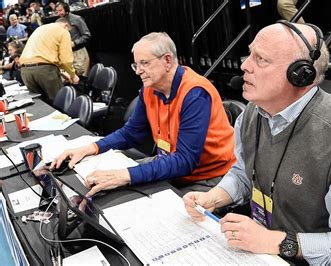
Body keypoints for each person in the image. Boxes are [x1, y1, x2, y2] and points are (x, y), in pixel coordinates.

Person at [183, 22, 331, 265]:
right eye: (250, 53)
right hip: (262, 253)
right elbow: (244, 173)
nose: (244, 65)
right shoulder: (251, 115)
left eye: (261, 59)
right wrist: (215, 197)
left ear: (300, 74)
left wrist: (273, 241)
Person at [52, 32, 236, 196]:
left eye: (145, 63)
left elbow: (185, 161)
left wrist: (126, 176)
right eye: (136, 65)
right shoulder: (150, 89)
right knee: (104, 183)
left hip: (209, 175)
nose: (139, 71)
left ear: (167, 60)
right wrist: (89, 148)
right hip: (171, 162)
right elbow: (130, 133)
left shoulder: (195, 92)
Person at [19, 17, 79, 102]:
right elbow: (66, 60)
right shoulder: (63, 31)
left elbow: (44, 54)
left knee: (41, 105)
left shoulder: (40, 29)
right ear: (66, 25)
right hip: (44, 71)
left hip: (25, 71)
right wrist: (73, 75)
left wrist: (62, 72)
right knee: (59, 103)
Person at [55, 2, 91, 77]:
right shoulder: (57, 22)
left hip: (79, 53)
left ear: (66, 9)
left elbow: (87, 35)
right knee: (70, 79)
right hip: (66, 54)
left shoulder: (77, 19)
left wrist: (75, 43)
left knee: (82, 77)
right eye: (57, 11)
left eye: (60, 10)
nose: (58, 13)